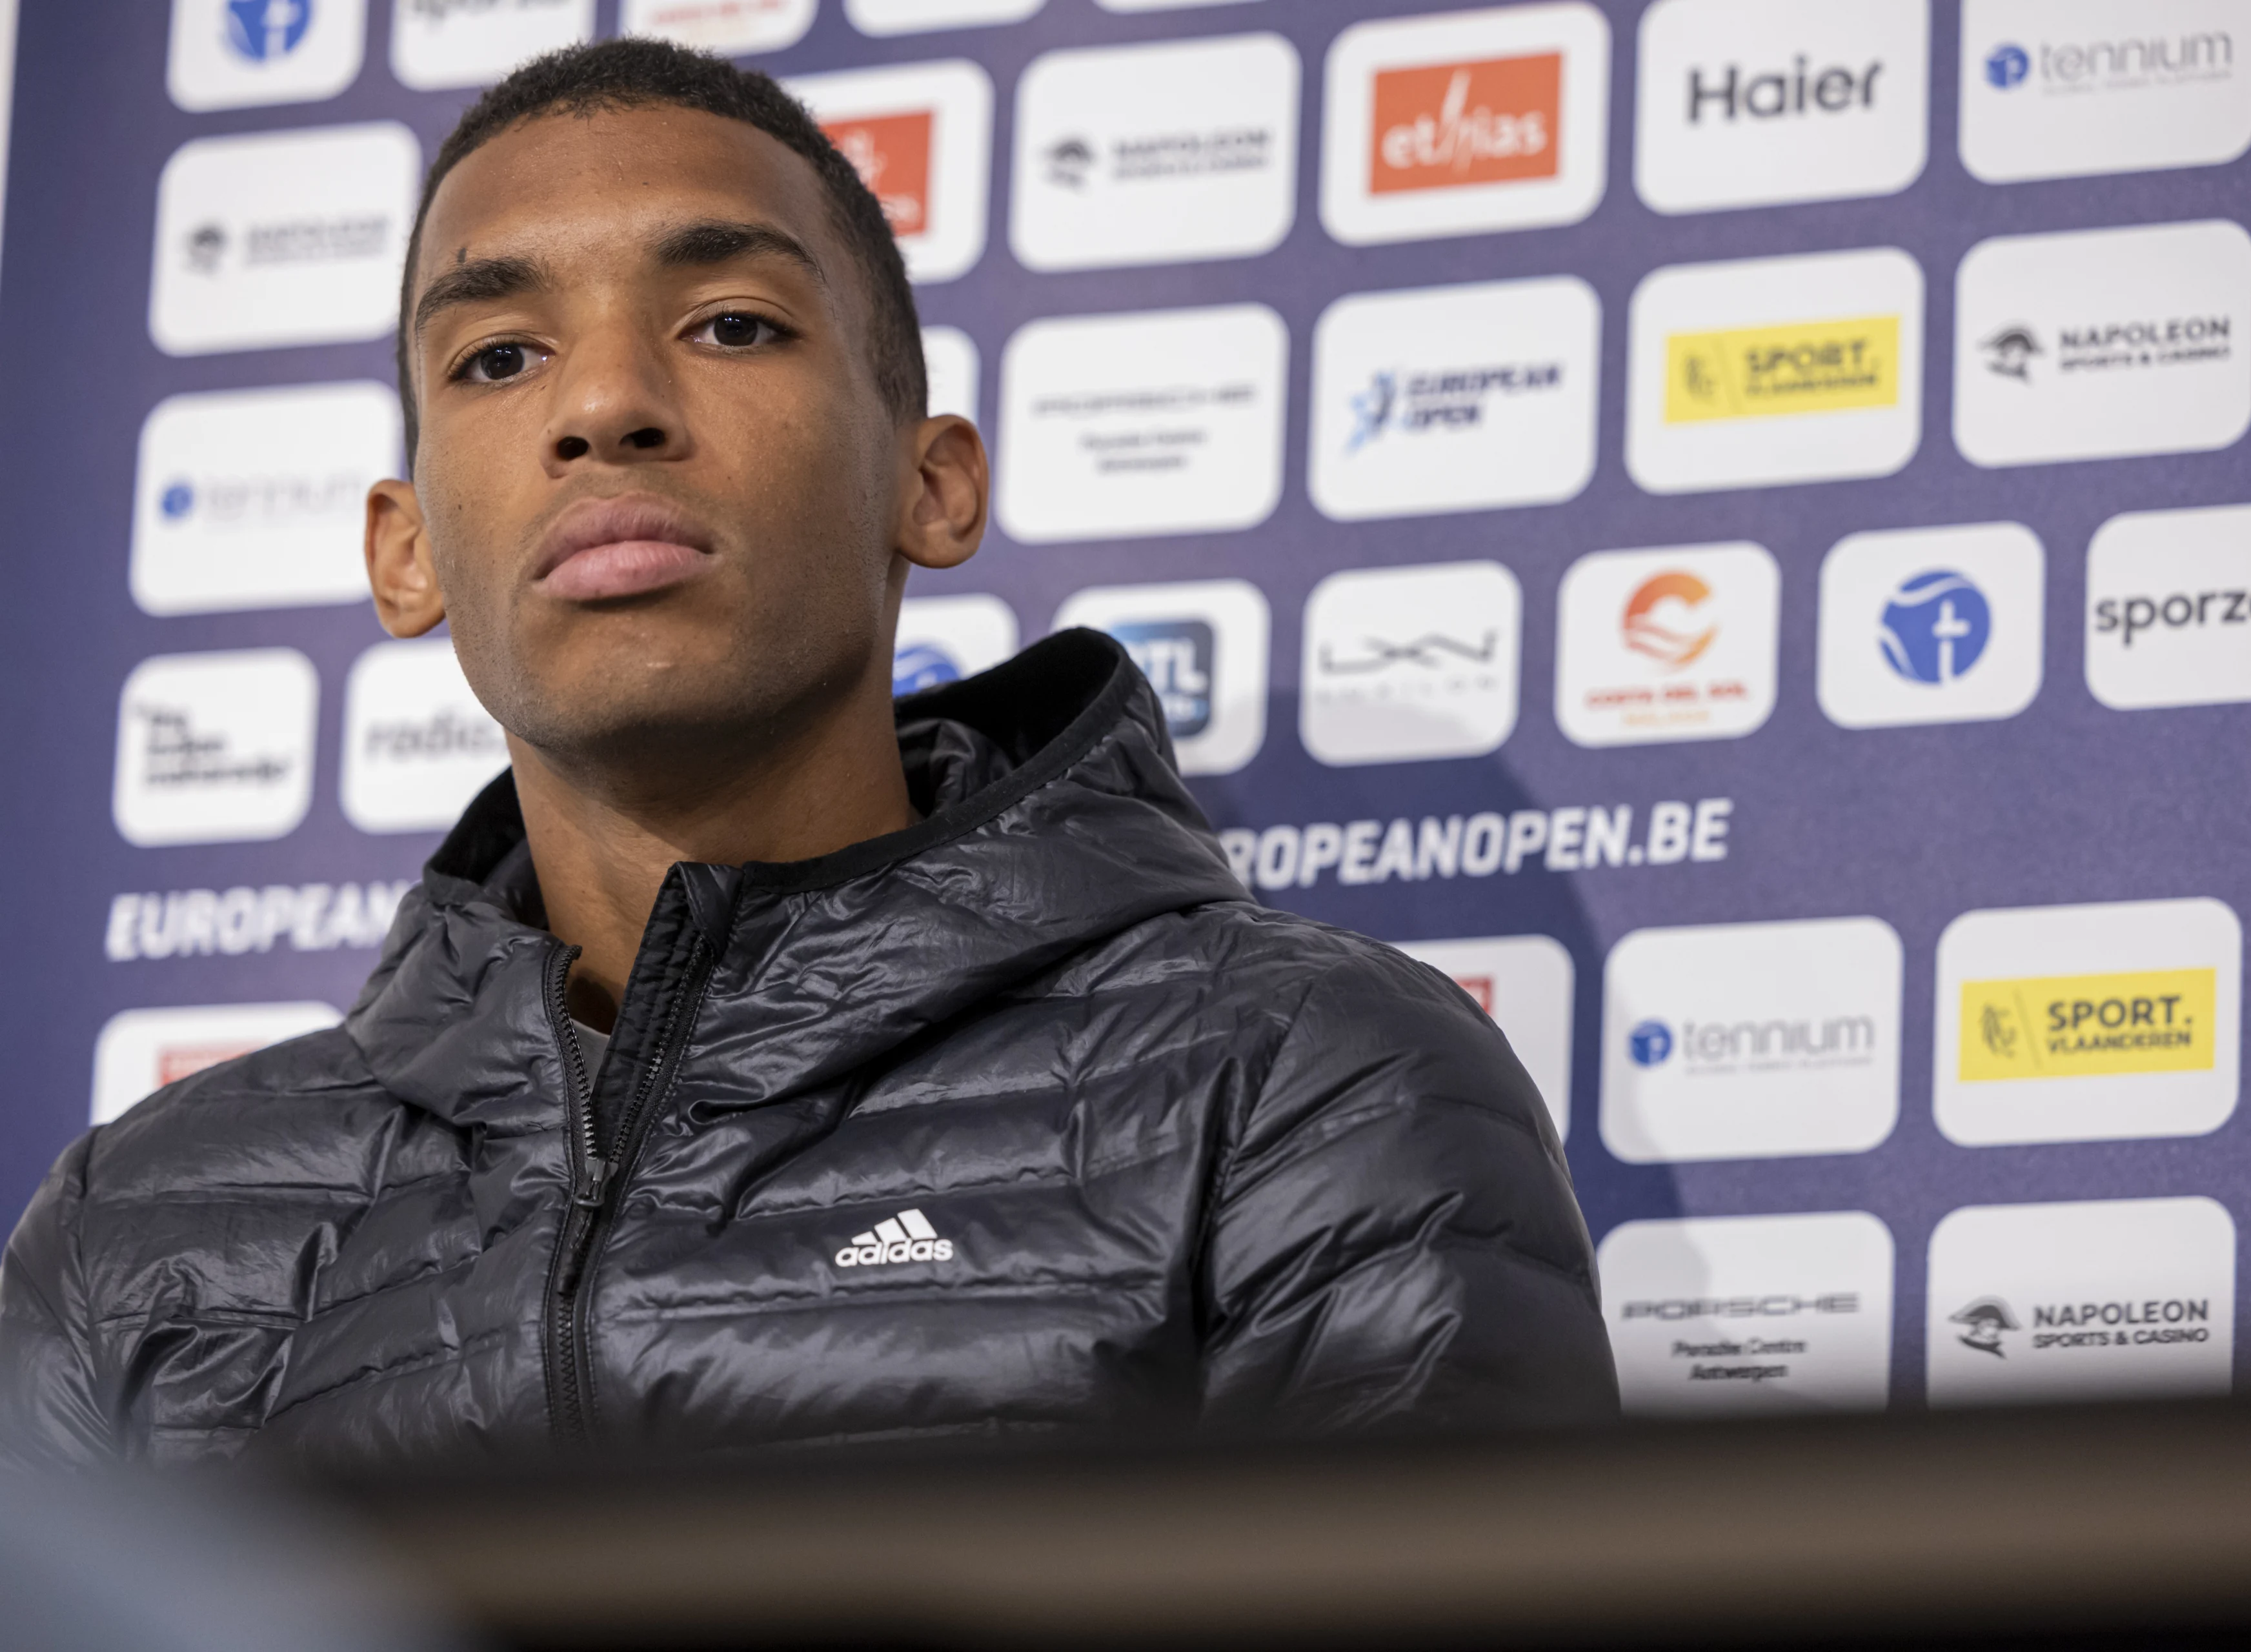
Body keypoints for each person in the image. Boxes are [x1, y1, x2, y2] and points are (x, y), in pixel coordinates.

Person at [0, 40, 1614, 1467]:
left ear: (935, 485)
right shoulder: (131, 1235)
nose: (610, 404)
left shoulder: (1305, 1083)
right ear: (406, 551)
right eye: (500, 356)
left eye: (730, 322)